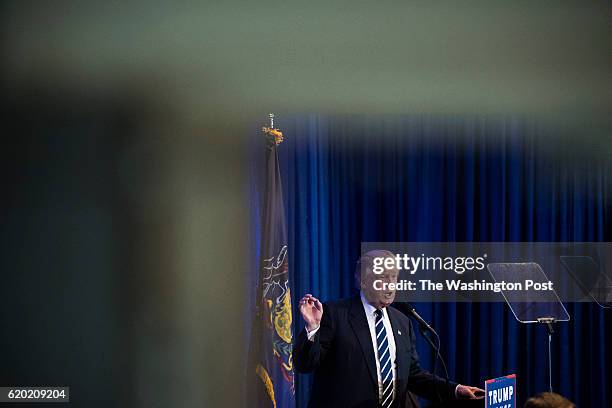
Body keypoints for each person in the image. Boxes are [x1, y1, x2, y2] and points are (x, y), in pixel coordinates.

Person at [294, 249, 484, 408]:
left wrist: (456, 389)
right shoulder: (335, 313)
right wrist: (313, 328)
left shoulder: (402, 321)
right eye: (383, 278)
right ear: (363, 281)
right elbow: (304, 364)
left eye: (394, 278)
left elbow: (414, 376)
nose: (390, 285)